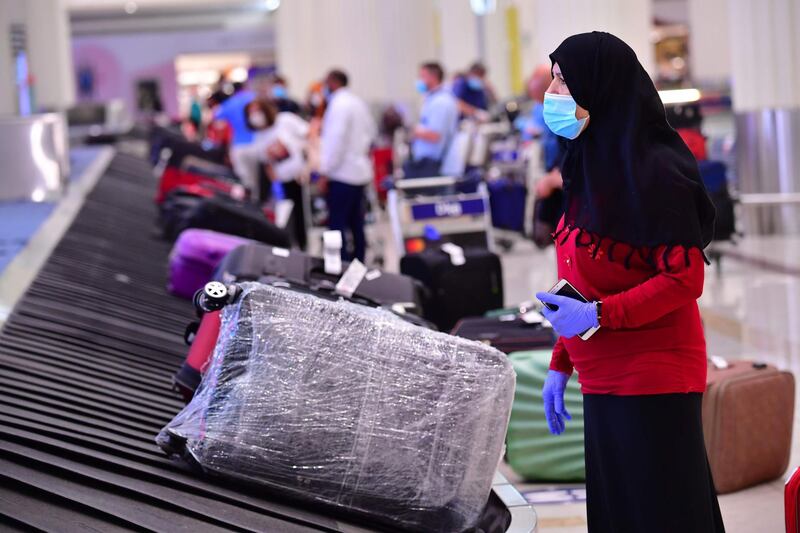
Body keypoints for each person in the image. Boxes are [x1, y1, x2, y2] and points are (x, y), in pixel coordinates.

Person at [533, 32, 723, 533]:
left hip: (653, 374)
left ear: (601, 86)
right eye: (554, 77)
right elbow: (580, 274)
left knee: (660, 512)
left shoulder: (657, 171)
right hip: (601, 375)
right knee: (620, 514)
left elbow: (684, 279)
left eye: (563, 79)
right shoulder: (586, 162)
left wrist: (597, 316)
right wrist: (561, 359)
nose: (553, 91)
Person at [319, 69, 376, 262]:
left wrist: (325, 171)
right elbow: (370, 133)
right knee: (356, 222)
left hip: (342, 173)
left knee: (337, 224)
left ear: (333, 82)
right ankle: (359, 261)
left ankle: (339, 265)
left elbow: (336, 141)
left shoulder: (339, 105)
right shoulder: (357, 102)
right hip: (358, 172)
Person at [245, 99, 311, 250]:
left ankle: (305, 245)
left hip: (302, 177)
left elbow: (309, 134)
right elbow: (267, 164)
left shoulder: (285, 120)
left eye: (257, 111)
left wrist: (308, 164)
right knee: (290, 218)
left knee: (304, 216)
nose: (255, 116)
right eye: (251, 113)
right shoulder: (258, 138)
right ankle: (297, 247)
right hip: (284, 182)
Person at [403, 62, 459, 178]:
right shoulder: (433, 99)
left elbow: (434, 135)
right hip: (427, 162)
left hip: (432, 164)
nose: (419, 80)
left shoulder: (441, 102)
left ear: (433, 77)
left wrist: (413, 130)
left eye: (422, 76)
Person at [214, 81, 256, 189]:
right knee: (260, 178)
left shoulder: (229, 103)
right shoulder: (253, 97)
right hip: (257, 143)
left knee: (245, 180)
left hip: (238, 145)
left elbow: (217, 121)